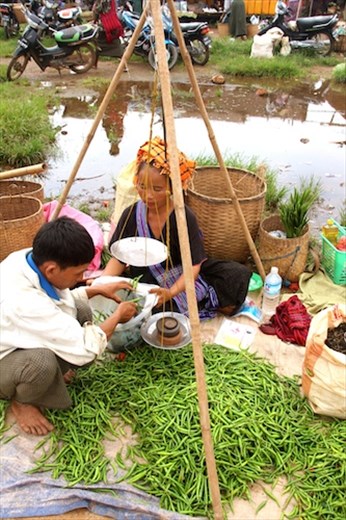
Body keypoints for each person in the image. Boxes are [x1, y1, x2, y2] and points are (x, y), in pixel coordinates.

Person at [0, 216, 137, 436]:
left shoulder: (29, 258)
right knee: (41, 363)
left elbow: (55, 299)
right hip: (3, 359)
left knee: (81, 307)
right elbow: (86, 349)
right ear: (52, 270)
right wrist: (118, 316)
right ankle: (22, 401)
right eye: (78, 274)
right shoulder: (23, 301)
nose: (82, 278)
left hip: (16, 331)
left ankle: (55, 372)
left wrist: (97, 290)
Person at [103, 136, 252, 319]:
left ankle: (204, 299)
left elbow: (194, 266)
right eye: (142, 186)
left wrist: (171, 292)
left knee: (237, 275)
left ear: (173, 188)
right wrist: (103, 284)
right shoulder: (131, 214)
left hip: (183, 273)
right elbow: (118, 259)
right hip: (147, 279)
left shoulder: (183, 217)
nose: (147, 195)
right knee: (148, 313)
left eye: (157, 189)